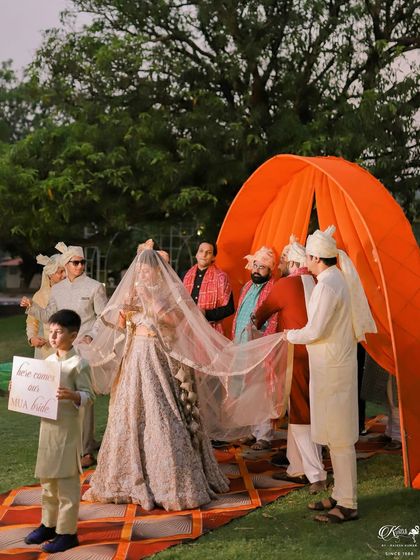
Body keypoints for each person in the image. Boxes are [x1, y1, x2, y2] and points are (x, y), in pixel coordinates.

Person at [79, 242, 290, 511]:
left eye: (146, 271)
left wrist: (150, 304)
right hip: (135, 358)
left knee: (162, 412)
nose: (142, 275)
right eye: (140, 270)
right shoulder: (132, 293)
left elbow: (175, 323)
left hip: (157, 356)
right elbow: (121, 325)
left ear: (156, 272)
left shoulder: (167, 294)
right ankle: (126, 475)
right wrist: (125, 311)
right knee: (129, 413)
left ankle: (170, 478)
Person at [285, 225, 376, 523]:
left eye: (307, 258)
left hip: (333, 367)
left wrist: (289, 335)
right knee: (337, 433)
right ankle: (340, 493)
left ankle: (348, 503)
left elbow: (316, 329)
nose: (304, 262)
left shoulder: (326, 285)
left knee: (339, 436)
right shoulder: (333, 279)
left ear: (314, 258)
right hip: (333, 364)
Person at [20, 242, 108, 468]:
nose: (79, 266)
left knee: (84, 398)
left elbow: (103, 317)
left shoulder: (95, 287)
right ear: (66, 265)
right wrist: (31, 308)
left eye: (82, 262)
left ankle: (87, 450)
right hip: (62, 350)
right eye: (75, 262)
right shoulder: (57, 290)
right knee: (61, 398)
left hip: (84, 350)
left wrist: (90, 336)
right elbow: (50, 315)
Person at [254, 240, 327, 494]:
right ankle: (296, 467)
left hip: (298, 353)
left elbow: (260, 314)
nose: (281, 265)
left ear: (294, 262)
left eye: (284, 260)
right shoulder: (316, 281)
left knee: (299, 411)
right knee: (311, 409)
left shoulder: (285, 284)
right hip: (320, 354)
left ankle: (315, 474)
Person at [23, 309, 94, 553]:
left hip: (67, 431)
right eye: (50, 331)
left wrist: (74, 395)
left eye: (59, 332)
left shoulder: (79, 364)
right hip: (47, 430)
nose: (53, 336)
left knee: (66, 483)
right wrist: (21, 388)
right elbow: (34, 391)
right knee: (48, 481)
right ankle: (48, 524)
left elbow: (89, 396)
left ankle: (67, 532)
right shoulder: (47, 362)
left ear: (73, 335)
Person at [232, 246, 278, 450]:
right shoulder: (247, 287)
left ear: (271, 270)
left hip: (261, 345)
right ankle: (252, 432)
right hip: (242, 346)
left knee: (262, 392)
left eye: (262, 267)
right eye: (255, 266)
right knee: (247, 390)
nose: (257, 270)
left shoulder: (274, 288)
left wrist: (263, 340)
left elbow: (274, 318)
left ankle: (264, 436)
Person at [183, 241, 234, 333]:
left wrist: (205, 313)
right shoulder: (186, 276)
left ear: (213, 257)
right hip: (187, 328)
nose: (204, 255)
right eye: (201, 251)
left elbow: (229, 309)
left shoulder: (221, 278)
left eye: (209, 252)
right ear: (196, 254)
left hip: (210, 331)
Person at [26, 254, 66, 359]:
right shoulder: (40, 296)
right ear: (49, 275)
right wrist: (32, 338)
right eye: (60, 272)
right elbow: (31, 322)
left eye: (65, 271)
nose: (65, 275)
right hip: (47, 349)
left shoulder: (73, 292)